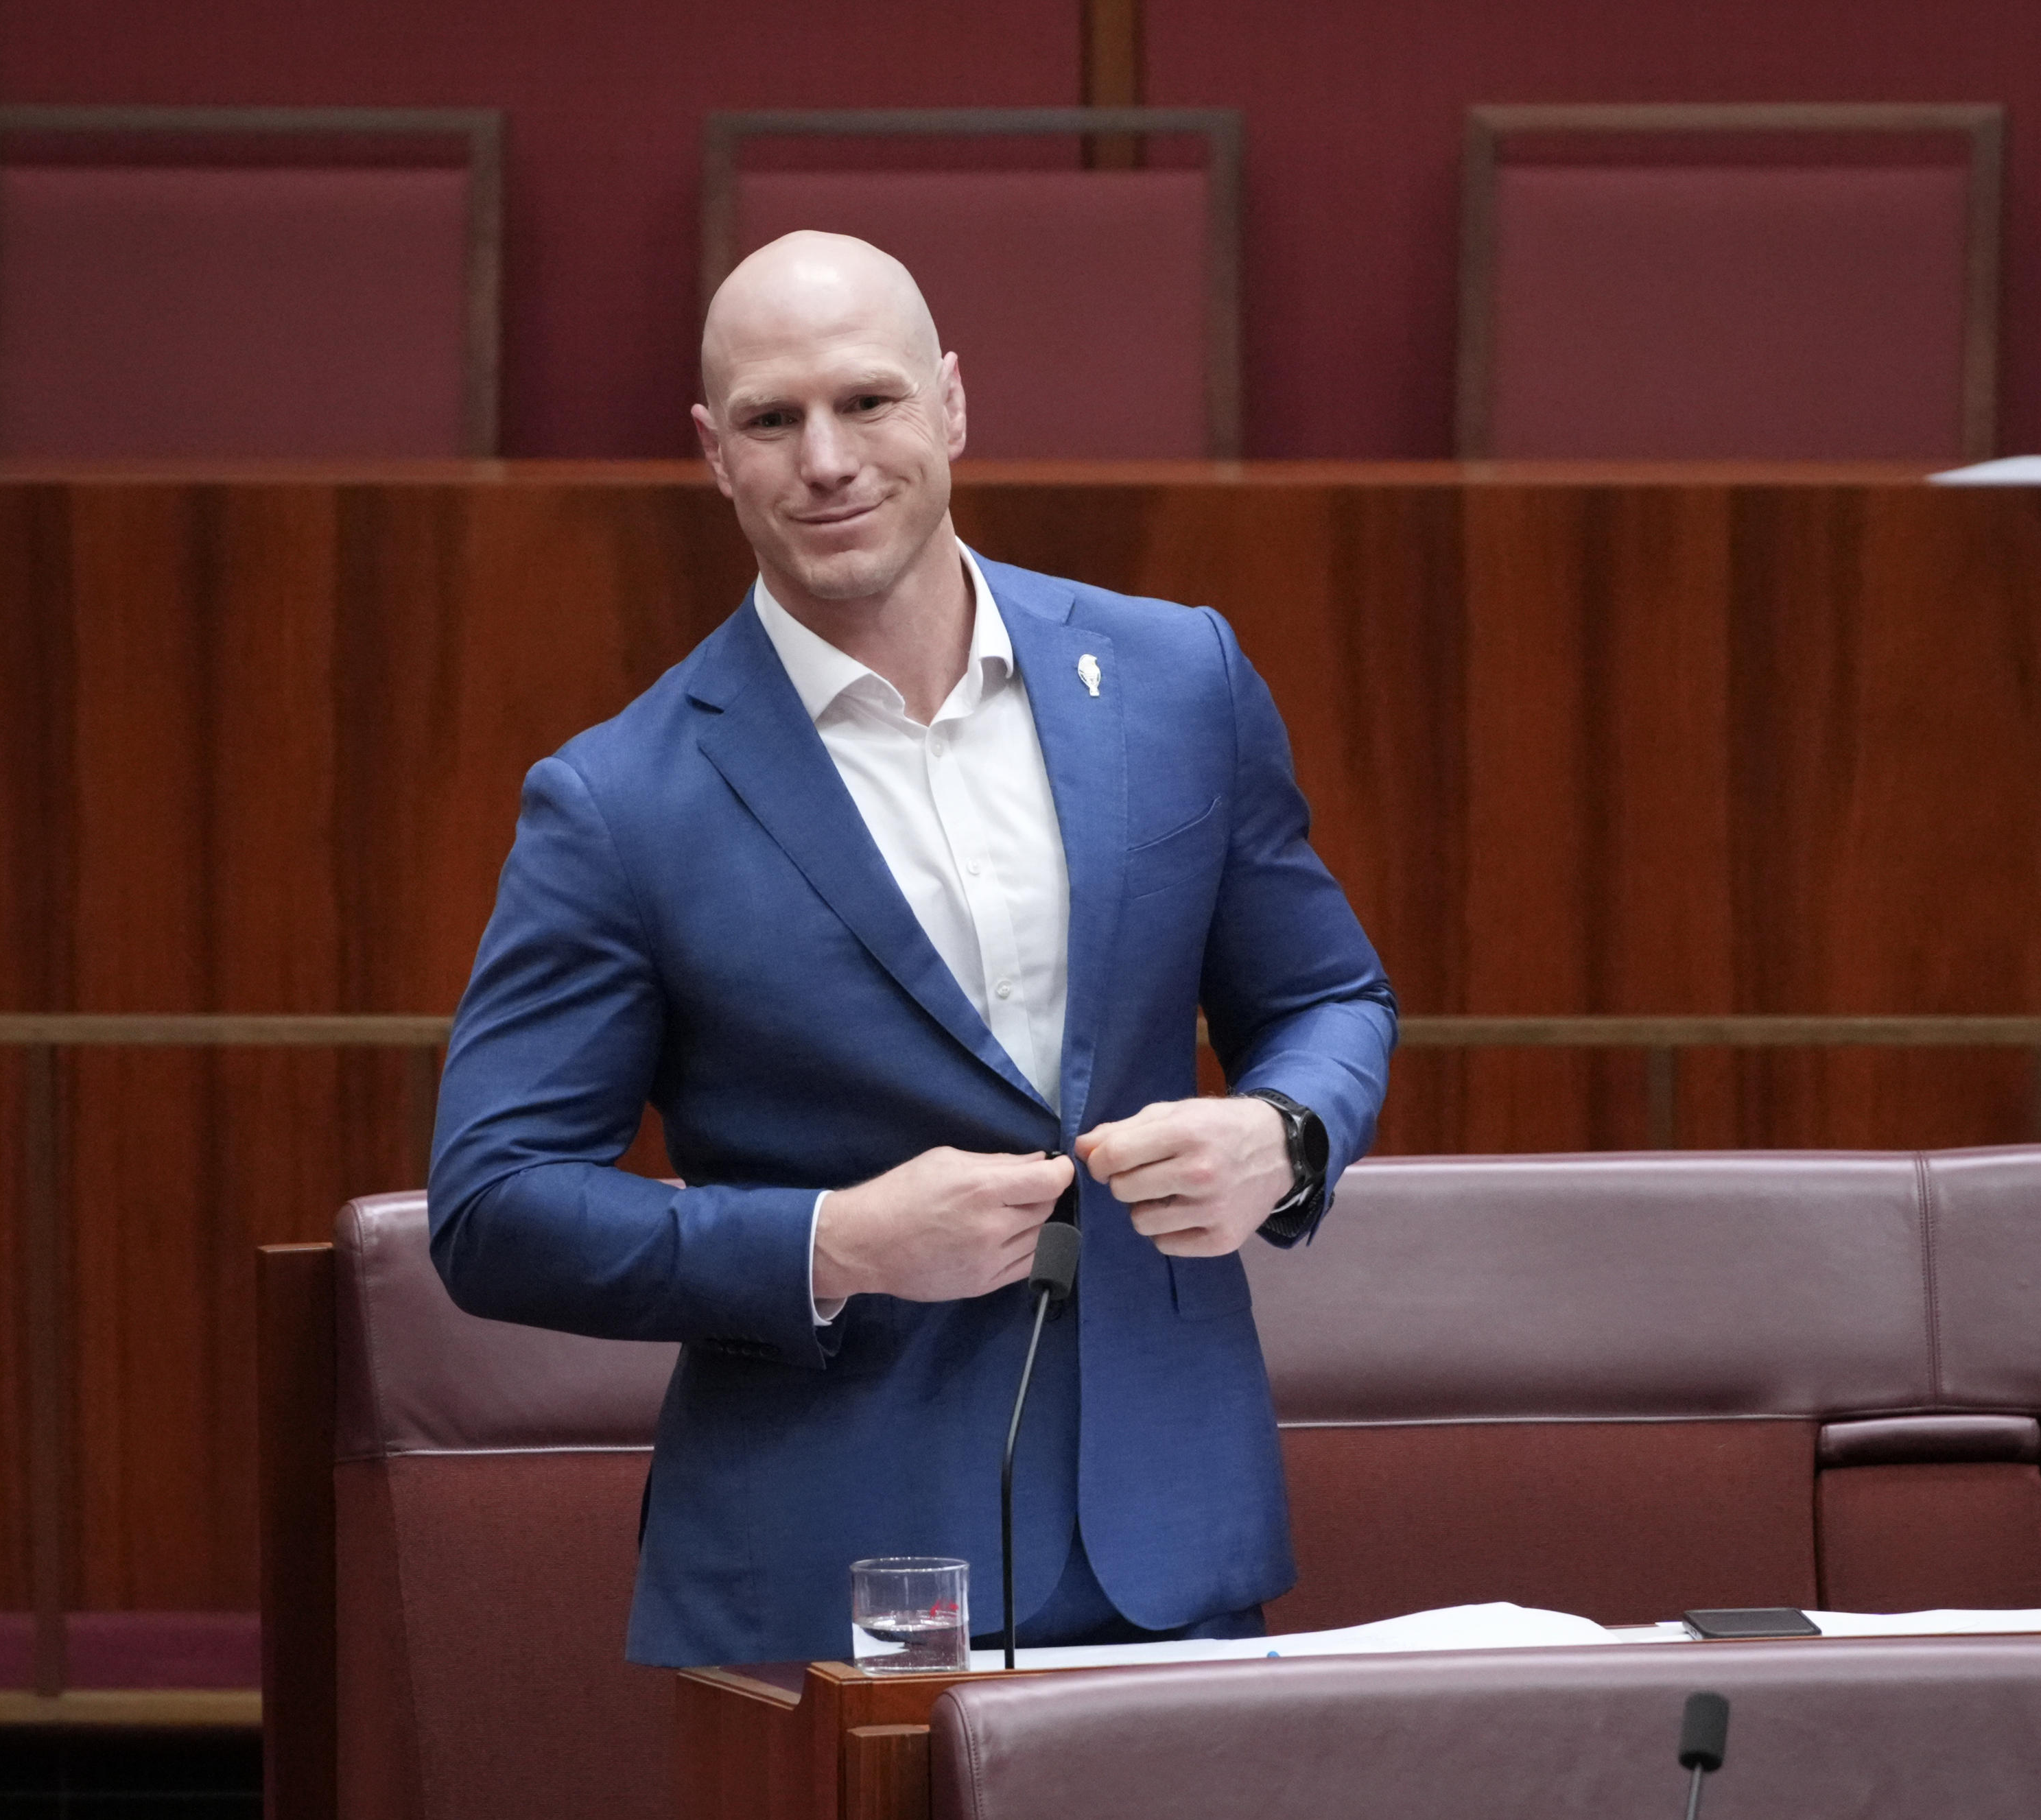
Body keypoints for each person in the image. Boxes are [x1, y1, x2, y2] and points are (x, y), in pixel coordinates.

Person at [426, 230, 1395, 1668]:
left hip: (1171, 1549)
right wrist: (836, 1243)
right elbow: (493, 1208)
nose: (827, 459)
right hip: (835, 1579)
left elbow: (1327, 995)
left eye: (867, 401)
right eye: (772, 419)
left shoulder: (1175, 677)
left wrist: (1285, 1135)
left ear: (949, 403)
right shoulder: (618, 802)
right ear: (714, 454)